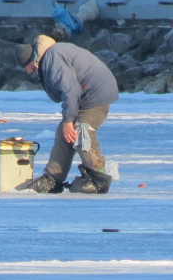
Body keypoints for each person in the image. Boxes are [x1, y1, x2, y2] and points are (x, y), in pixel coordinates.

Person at [14, 33, 118, 193]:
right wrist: (67, 124)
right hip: (86, 93)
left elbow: (71, 90)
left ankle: (99, 177)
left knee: (82, 131)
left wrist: (69, 121)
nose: (28, 73)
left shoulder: (52, 58)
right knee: (64, 133)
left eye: (26, 69)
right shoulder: (49, 56)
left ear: (31, 61)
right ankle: (53, 179)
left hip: (96, 93)